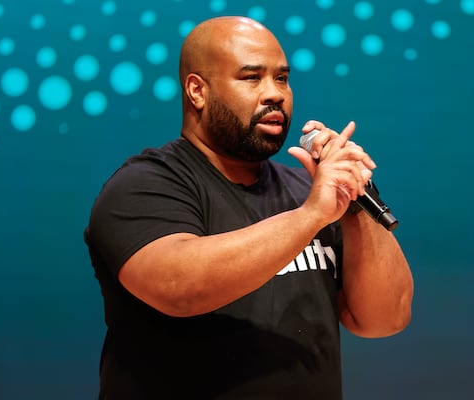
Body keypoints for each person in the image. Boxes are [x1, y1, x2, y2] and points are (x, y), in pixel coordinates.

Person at [84, 16, 413, 400]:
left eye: (283, 79)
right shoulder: (145, 184)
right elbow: (178, 289)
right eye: (251, 78)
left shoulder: (309, 193)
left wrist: (354, 198)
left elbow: (384, 319)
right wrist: (311, 216)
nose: (275, 93)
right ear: (197, 91)